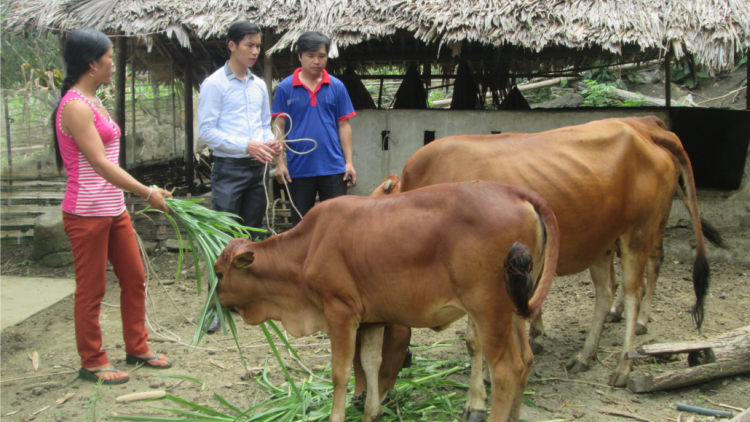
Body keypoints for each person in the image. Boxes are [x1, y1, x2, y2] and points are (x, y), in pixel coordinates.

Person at [52, 28, 173, 385]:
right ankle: (92, 360)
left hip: (112, 208)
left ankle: (137, 346)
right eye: (108, 56)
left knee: (134, 277)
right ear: (92, 63)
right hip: (86, 212)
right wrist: (147, 191)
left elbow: (108, 163)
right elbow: (102, 165)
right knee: (91, 289)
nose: (112, 62)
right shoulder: (74, 106)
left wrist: (133, 195)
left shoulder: (96, 100)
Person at [198, 21, 281, 333]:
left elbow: (263, 124)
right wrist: (245, 145)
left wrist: (267, 141)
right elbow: (206, 132)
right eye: (249, 45)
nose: (255, 51)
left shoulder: (259, 85)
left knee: (251, 237)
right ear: (231, 46)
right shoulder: (214, 84)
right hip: (229, 170)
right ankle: (215, 306)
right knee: (222, 240)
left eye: (258, 45)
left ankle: (245, 300)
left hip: (256, 170)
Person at [272, 31, 357, 226]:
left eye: (321, 56)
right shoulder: (285, 88)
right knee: (302, 227)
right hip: (299, 170)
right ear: (300, 56)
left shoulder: (337, 87)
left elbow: (344, 125)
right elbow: (279, 125)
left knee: (336, 225)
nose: (316, 61)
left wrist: (349, 162)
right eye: (310, 55)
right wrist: (280, 162)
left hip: (334, 168)